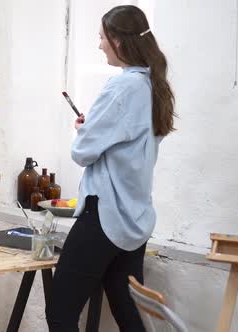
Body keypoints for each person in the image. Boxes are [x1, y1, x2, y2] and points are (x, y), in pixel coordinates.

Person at [46, 5, 176, 331]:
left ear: (118, 41)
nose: (99, 44)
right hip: (134, 220)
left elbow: (82, 152)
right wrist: (92, 131)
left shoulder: (121, 87)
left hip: (104, 216)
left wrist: (85, 133)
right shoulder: (151, 85)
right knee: (128, 315)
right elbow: (120, 143)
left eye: (102, 37)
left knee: (60, 312)